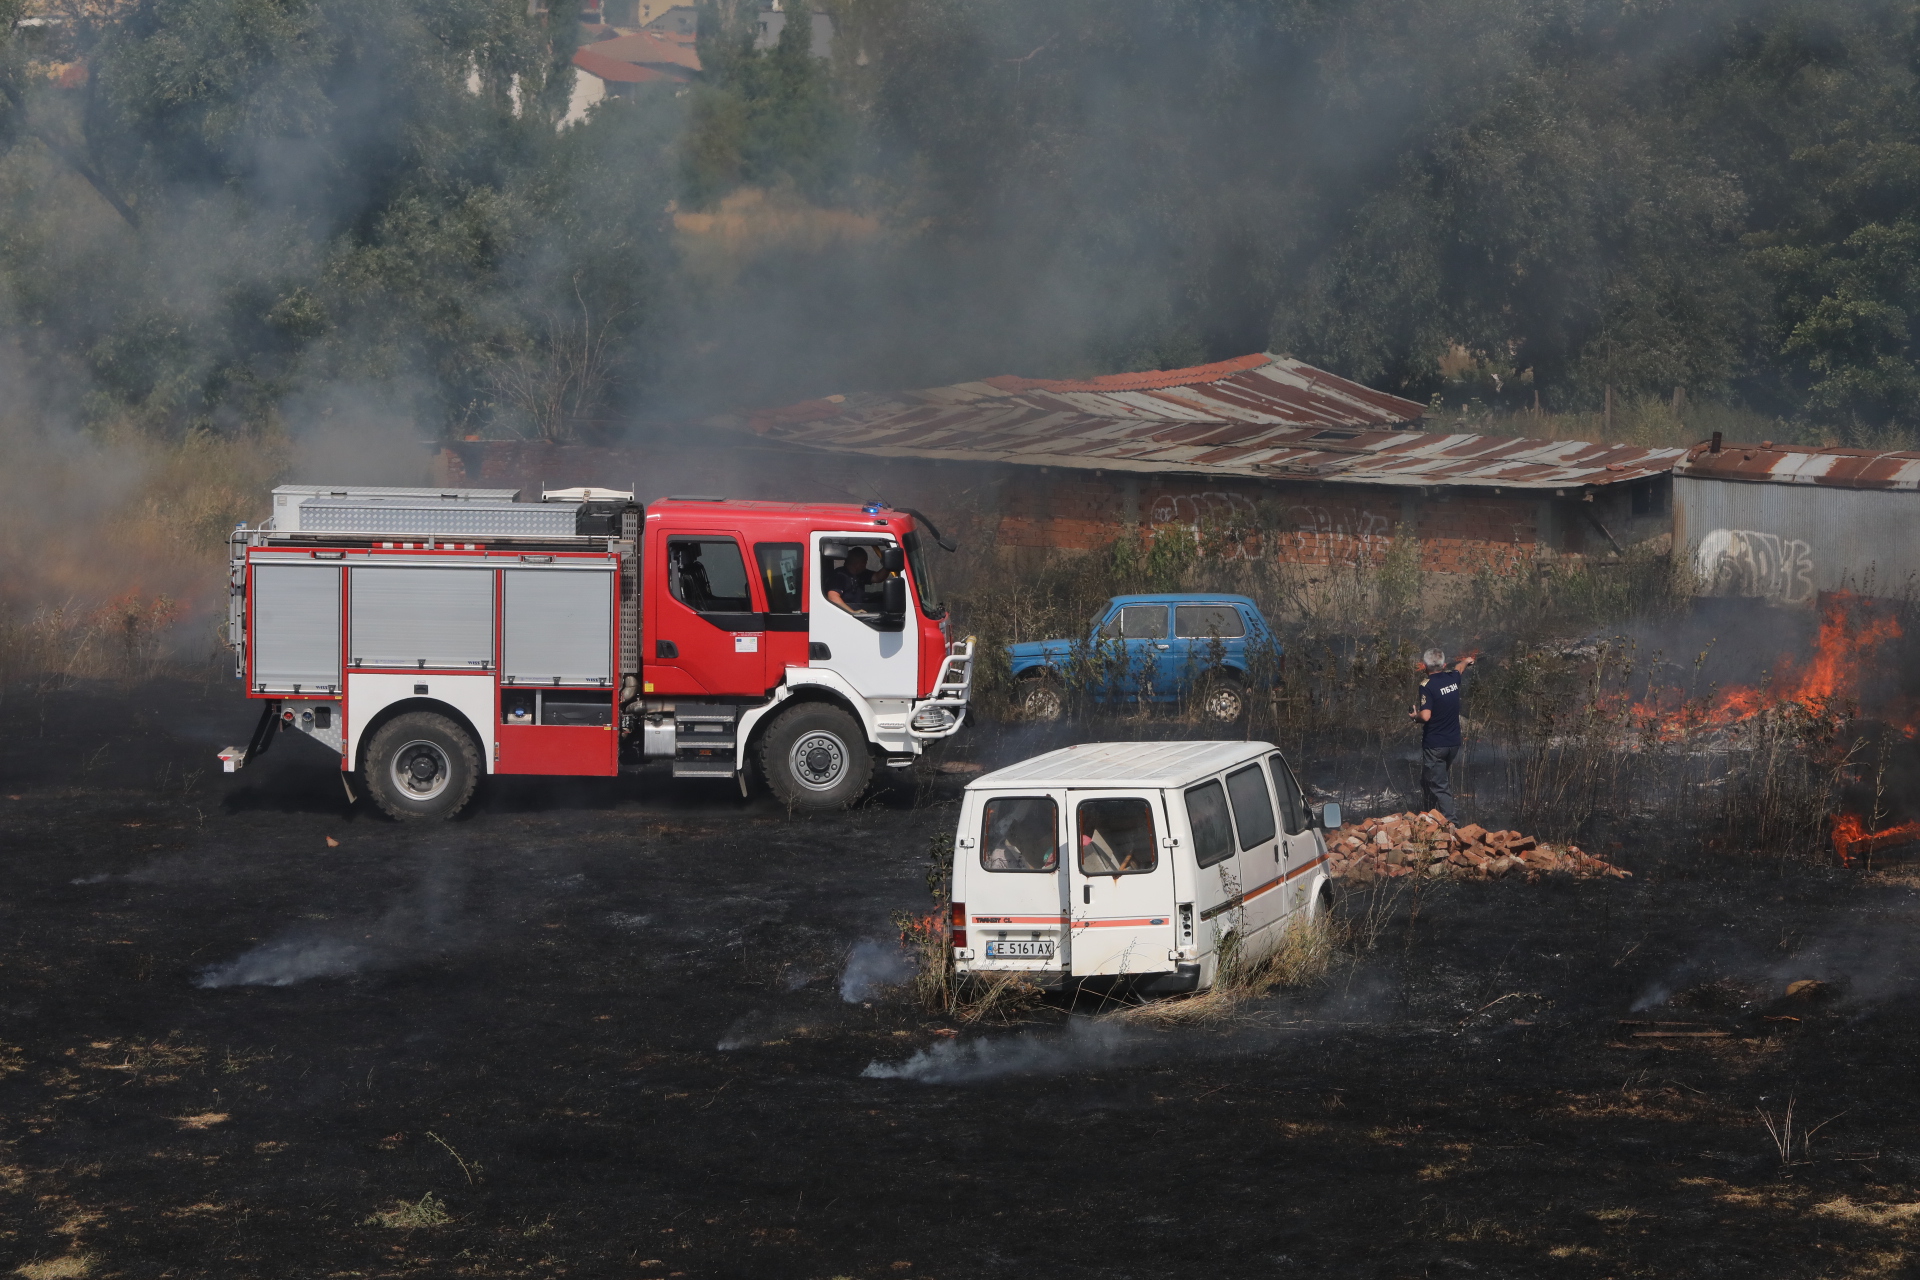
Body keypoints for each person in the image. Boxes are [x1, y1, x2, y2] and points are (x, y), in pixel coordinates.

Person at [1409, 647, 1475, 821]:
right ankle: (1429, 816)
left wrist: (1414, 716)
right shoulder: (1452, 678)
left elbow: (1425, 715)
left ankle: (1452, 825)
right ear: (1444, 665)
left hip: (1435, 745)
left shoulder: (1426, 686)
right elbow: (1459, 668)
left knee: (1439, 786)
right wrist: (1467, 661)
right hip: (1453, 743)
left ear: (1424, 666)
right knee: (1428, 780)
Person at [824, 545, 882, 614]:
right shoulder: (839, 575)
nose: (865, 564)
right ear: (858, 563)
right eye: (865, 562)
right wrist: (852, 612)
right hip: (844, 615)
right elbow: (832, 596)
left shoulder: (861, 573)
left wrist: (888, 566)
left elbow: (878, 577)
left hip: (858, 612)